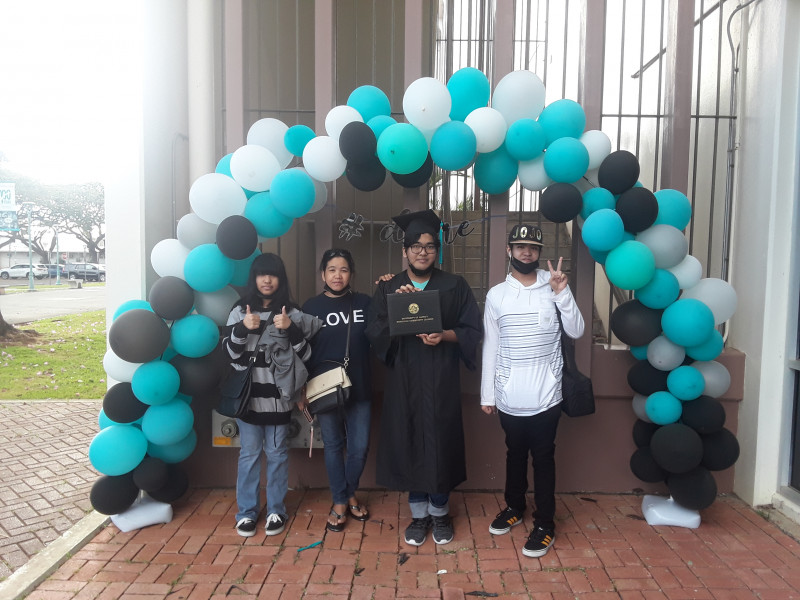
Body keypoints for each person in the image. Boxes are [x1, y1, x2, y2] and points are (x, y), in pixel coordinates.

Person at [366, 209, 482, 547]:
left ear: (437, 250)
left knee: (440, 441)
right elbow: (374, 331)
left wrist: (443, 335)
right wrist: (395, 309)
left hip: (441, 378)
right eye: (415, 246)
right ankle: (418, 516)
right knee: (408, 439)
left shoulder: (454, 285)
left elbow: (472, 329)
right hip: (404, 379)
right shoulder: (390, 286)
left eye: (430, 246)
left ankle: (441, 512)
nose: (422, 252)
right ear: (404, 251)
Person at [480, 224, 585, 558]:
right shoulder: (497, 295)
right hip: (509, 394)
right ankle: (514, 507)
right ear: (509, 250)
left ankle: (545, 523)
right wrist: (488, 395)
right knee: (514, 454)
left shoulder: (552, 287)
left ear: (540, 253)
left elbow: (577, 330)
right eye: (520, 246)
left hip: (547, 394)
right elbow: (491, 346)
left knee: (543, 457)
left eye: (533, 248)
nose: (527, 252)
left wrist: (561, 293)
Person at [223, 253, 322, 538]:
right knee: (249, 455)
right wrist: (242, 328)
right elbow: (230, 356)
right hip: (248, 398)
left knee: (277, 454)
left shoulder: (291, 312)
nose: (267, 280)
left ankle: (277, 509)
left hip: (279, 399)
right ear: (253, 278)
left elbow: (306, 356)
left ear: (281, 279)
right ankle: (246, 513)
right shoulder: (239, 310)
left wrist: (291, 331)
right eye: (261, 274)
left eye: (273, 274)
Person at [301, 248, 373, 533]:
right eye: (332, 269)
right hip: (324, 390)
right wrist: (300, 391)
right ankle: (343, 500)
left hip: (361, 386)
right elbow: (302, 351)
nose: (337, 275)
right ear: (323, 274)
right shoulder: (311, 307)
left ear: (351, 274)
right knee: (332, 446)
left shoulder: (365, 303)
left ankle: (346, 493)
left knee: (359, 447)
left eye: (343, 269)